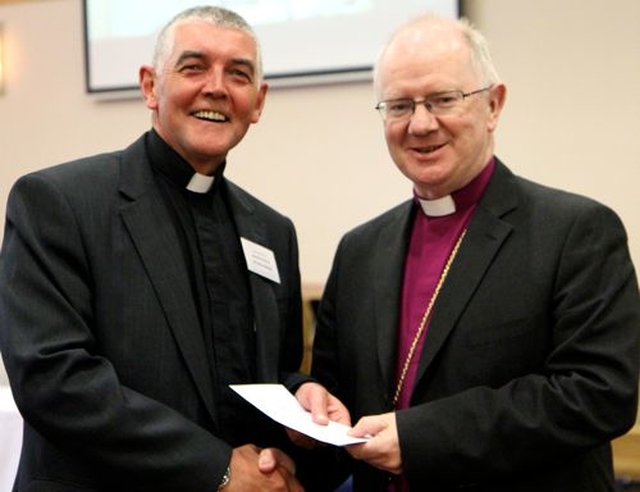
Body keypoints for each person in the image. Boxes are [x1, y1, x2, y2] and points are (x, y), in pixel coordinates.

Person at [295, 12, 640, 491]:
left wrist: (418, 438)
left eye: (442, 100)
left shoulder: (576, 231)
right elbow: (338, 402)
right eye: (398, 106)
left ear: (493, 105)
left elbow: (599, 395)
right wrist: (313, 413)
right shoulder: (359, 251)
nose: (419, 123)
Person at [0, 6, 311, 491]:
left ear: (258, 101)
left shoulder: (273, 231)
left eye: (238, 73)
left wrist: (301, 402)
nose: (216, 87)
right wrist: (218, 469)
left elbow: (272, 375)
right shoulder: (59, 202)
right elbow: (55, 381)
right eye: (193, 67)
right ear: (150, 86)